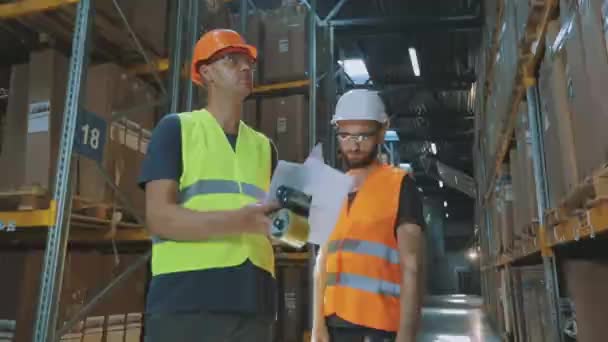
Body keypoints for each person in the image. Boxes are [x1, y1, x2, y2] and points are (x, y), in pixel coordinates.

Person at [138, 29, 280, 342]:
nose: (245, 68)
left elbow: (270, 227)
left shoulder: (264, 147)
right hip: (187, 302)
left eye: (248, 63)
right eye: (232, 60)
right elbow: (160, 217)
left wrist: (294, 224)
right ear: (206, 72)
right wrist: (240, 220)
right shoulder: (176, 129)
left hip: (255, 303)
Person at [312, 89, 426, 342]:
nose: (353, 145)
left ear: (382, 132)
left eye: (363, 135)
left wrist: (406, 336)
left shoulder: (400, 185)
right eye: (345, 135)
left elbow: (412, 267)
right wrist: (317, 326)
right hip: (333, 326)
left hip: (379, 327)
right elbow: (321, 264)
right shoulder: (329, 188)